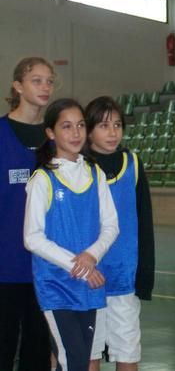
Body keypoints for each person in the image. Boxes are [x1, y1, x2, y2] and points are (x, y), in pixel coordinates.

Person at [23, 98, 119, 371]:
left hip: (89, 287)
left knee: (79, 360)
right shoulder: (43, 179)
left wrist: (91, 256)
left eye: (80, 125)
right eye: (66, 127)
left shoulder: (94, 172)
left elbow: (111, 225)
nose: (76, 133)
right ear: (51, 133)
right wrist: (81, 267)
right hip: (57, 285)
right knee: (72, 361)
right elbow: (32, 237)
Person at [85, 97, 155, 371]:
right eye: (104, 126)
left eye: (117, 125)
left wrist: (144, 275)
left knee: (127, 351)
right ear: (89, 130)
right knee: (88, 352)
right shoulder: (79, 166)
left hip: (124, 278)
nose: (113, 132)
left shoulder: (133, 164)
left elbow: (144, 222)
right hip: (88, 277)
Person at [0, 57, 54, 371]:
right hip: (5, 266)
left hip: (45, 268)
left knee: (38, 352)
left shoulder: (56, 139)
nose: (45, 86)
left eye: (49, 80)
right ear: (18, 86)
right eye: (36, 80)